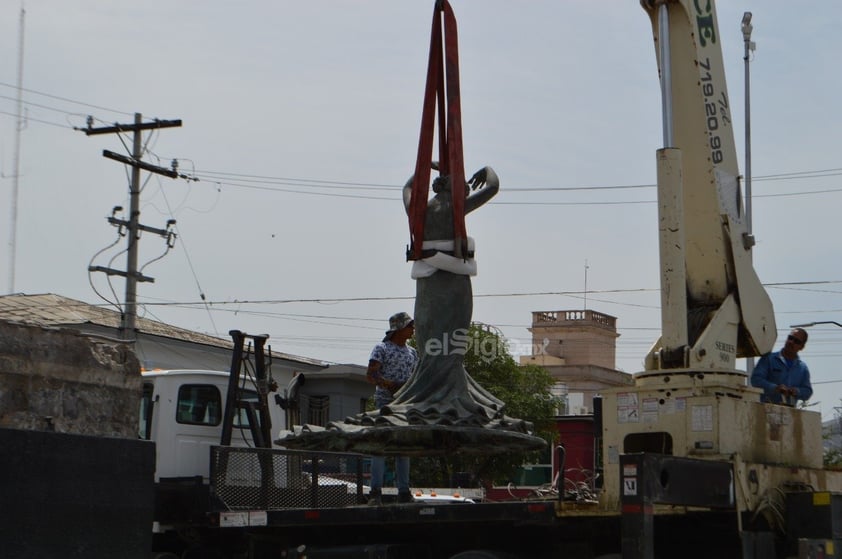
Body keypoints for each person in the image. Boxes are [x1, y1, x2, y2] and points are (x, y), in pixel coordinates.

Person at [365, 311, 418, 504]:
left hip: (404, 404)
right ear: (399, 329)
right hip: (385, 403)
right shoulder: (382, 348)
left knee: (403, 447)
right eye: (409, 326)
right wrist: (391, 385)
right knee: (381, 446)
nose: (413, 329)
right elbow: (371, 375)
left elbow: (416, 377)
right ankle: (375, 492)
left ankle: (404, 491)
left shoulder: (412, 353)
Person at [750, 328, 813, 407]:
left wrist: (796, 391)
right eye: (790, 338)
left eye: (796, 341)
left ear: (802, 347)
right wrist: (775, 388)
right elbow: (756, 380)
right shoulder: (769, 359)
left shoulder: (802, 368)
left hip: (790, 413)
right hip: (765, 410)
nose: (791, 342)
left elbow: (808, 391)